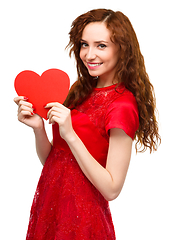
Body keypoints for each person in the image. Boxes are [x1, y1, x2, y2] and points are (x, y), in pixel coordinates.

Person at [14, 9, 161, 240]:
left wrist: (70, 133)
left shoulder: (122, 104)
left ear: (122, 49)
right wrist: (38, 129)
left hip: (83, 218)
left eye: (101, 45)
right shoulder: (80, 90)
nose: (89, 55)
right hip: (50, 205)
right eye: (84, 44)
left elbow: (112, 189)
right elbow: (55, 161)